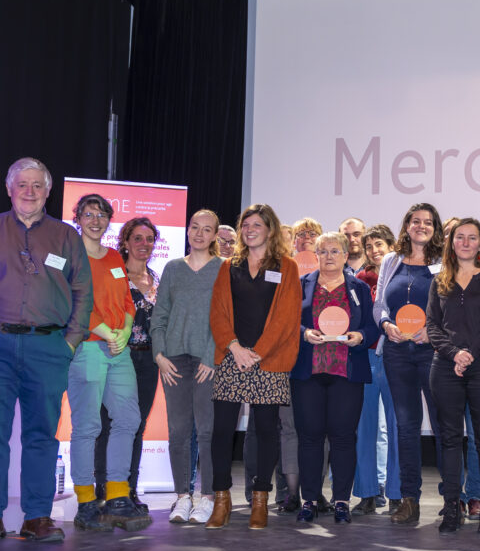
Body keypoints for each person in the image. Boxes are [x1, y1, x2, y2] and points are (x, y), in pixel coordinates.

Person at [0, 158, 91, 546]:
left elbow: (83, 292)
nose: (30, 192)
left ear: (48, 191)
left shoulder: (66, 237)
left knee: (42, 435)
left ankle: (38, 517)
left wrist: (70, 341)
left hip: (48, 347)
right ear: (9, 189)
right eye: (22, 185)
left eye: (37, 185)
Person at [207, 204, 302, 529]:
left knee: (266, 431)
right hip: (232, 357)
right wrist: (235, 348)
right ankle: (221, 499)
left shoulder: (286, 267)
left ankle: (260, 499)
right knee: (222, 431)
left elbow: (286, 318)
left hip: (269, 360)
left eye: (256, 225)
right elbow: (217, 313)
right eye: (245, 225)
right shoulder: (228, 266)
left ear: (270, 230)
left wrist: (257, 353)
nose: (249, 230)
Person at [67, 194, 151, 532]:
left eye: (102, 215)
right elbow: (70, 302)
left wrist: (125, 331)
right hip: (87, 347)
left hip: (119, 350)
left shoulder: (115, 256)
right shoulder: (70, 255)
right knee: (88, 426)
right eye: (89, 214)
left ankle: (117, 495)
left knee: (129, 419)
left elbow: (128, 302)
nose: (96, 220)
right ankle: (86, 502)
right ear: (78, 218)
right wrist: (104, 331)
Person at [291, 232, 378, 524]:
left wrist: (360, 336)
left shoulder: (359, 288)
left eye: (335, 251)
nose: (329, 256)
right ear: (316, 255)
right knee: (309, 438)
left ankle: (342, 501)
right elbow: (288, 322)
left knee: (343, 438)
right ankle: (309, 500)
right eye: (323, 251)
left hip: (346, 372)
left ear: (345, 255)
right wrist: (304, 333)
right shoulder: (301, 284)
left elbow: (372, 327)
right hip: (308, 372)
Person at [427, 218, 480, 535]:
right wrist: (454, 354)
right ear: (452, 242)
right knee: (448, 439)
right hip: (445, 366)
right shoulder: (440, 279)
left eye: (472, 238)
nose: (465, 242)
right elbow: (432, 325)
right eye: (460, 237)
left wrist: (469, 353)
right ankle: (451, 508)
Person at [373, 203, 445, 525]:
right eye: (416, 221)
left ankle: (452, 499)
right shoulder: (391, 261)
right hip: (397, 352)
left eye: (428, 222)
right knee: (405, 427)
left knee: (443, 426)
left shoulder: (444, 262)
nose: (421, 226)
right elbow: (379, 304)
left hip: (433, 353)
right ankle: (409, 499)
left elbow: (451, 306)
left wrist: (433, 332)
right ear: (406, 226)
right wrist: (386, 324)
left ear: (435, 228)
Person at [151, 209, 222, 524]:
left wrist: (212, 355)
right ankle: (182, 496)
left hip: (208, 361)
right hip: (174, 360)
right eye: (195, 227)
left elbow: (225, 318)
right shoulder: (172, 268)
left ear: (214, 235)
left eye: (206, 229)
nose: (199, 233)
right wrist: (158, 354)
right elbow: (160, 314)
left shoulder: (223, 268)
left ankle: (207, 497)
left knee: (207, 431)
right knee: (178, 431)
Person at [94, 217, 161, 511]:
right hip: (116, 355)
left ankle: (128, 490)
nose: (144, 244)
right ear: (125, 241)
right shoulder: (114, 272)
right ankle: (103, 489)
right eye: (137, 238)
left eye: (149, 239)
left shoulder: (157, 278)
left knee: (137, 425)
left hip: (149, 359)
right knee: (109, 425)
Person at [352, 224, 401, 515]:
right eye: (369, 246)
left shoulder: (401, 275)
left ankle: (396, 494)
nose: (374, 250)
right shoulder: (360, 279)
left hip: (396, 355)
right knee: (365, 427)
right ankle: (367, 492)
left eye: (379, 244)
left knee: (397, 426)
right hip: (367, 357)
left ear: (391, 245)